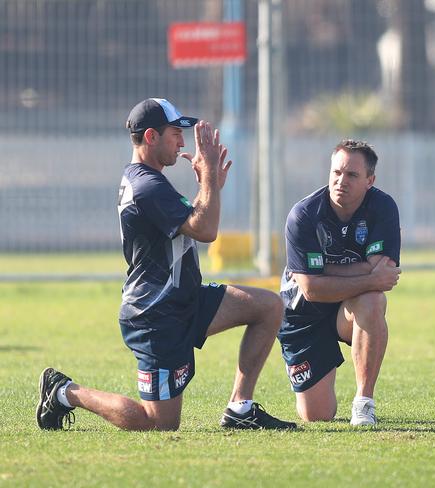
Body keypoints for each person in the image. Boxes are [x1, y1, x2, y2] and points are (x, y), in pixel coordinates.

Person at [37, 98, 296, 431]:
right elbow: (205, 230)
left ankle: (240, 408)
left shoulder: (150, 179)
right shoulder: (147, 186)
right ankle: (65, 391)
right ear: (150, 137)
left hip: (184, 299)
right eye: (175, 133)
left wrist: (211, 185)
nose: (182, 142)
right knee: (157, 423)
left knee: (267, 306)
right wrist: (209, 181)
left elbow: (195, 221)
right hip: (155, 315)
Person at [278, 139, 401, 427]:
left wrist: (325, 270)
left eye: (352, 175)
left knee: (373, 300)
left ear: (370, 180)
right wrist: (368, 276)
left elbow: (381, 271)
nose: (340, 181)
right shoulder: (304, 215)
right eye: (336, 173)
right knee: (317, 415)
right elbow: (312, 288)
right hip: (302, 316)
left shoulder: (383, 207)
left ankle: (364, 402)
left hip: (346, 309)